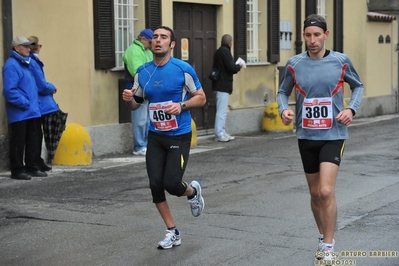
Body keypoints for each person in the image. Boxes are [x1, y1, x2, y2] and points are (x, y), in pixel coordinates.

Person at [277, 14, 364, 264]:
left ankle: (328, 244)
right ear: (303, 36)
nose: (312, 40)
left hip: (333, 134)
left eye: (317, 35)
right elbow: (283, 91)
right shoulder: (294, 63)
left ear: (326, 35)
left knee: (326, 191)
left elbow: (358, 86)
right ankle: (321, 235)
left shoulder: (340, 61)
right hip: (306, 135)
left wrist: (351, 109)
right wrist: (284, 109)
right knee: (315, 194)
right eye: (308, 35)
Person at [122, 26, 206, 249]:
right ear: (150, 44)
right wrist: (128, 98)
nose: (158, 41)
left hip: (179, 136)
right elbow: (135, 105)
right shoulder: (143, 72)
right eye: (155, 37)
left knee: (172, 184)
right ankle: (172, 231)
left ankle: (192, 191)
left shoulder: (182, 69)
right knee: (155, 185)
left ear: (172, 44)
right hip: (156, 136)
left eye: (164, 37)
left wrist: (182, 105)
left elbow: (201, 97)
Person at [2, 36, 48, 180]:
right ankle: (17, 170)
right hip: (21, 112)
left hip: (32, 110)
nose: (29, 49)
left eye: (30, 46)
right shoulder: (12, 65)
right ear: (17, 48)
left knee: (33, 140)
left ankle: (31, 166)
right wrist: (26, 103)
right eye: (26, 46)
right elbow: (10, 91)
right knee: (18, 141)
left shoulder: (25, 63)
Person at [28, 36, 58, 171]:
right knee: (36, 133)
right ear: (37, 47)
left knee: (37, 133)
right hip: (38, 102)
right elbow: (41, 85)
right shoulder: (34, 62)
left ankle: (37, 160)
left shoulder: (32, 61)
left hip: (36, 101)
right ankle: (34, 161)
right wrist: (52, 87)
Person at [123, 29, 154, 156]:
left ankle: (144, 144)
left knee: (147, 118)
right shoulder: (134, 50)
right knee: (140, 119)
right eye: (151, 42)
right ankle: (139, 146)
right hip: (136, 88)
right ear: (143, 39)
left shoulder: (146, 51)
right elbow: (136, 71)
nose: (153, 45)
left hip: (146, 86)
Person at [211, 34, 243, 142]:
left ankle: (222, 132)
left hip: (218, 84)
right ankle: (219, 133)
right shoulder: (225, 52)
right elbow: (231, 67)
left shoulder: (219, 51)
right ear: (230, 43)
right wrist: (239, 66)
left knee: (221, 110)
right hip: (222, 85)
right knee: (221, 111)